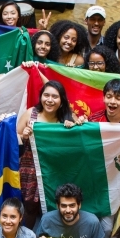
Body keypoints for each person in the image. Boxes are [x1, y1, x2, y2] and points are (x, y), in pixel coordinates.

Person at [17, 81, 84, 228]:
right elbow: (14, 137)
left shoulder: (68, 117)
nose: (49, 100)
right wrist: (24, 136)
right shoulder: (31, 113)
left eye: (55, 96)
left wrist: (77, 125)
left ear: (61, 101)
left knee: (54, 209)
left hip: (56, 172)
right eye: (46, 95)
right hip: (30, 172)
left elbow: (82, 140)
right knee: (29, 209)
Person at [39, 183, 105, 238]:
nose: (68, 210)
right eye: (64, 206)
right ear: (57, 206)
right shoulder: (47, 219)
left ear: (79, 205)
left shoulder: (92, 222)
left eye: (72, 205)